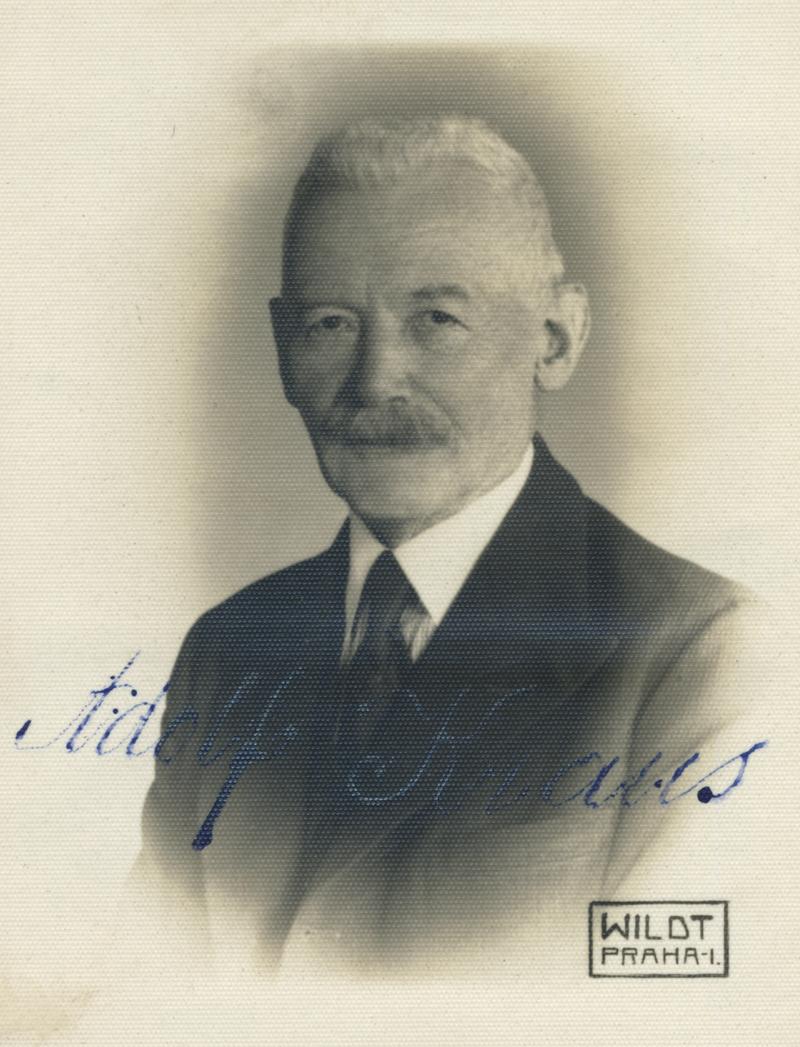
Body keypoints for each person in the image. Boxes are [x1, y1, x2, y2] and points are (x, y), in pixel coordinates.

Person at [128, 115, 767, 978]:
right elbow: (142, 995)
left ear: (555, 338)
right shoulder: (227, 648)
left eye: (436, 318)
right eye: (330, 324)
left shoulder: (705, 654)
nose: (375, 380)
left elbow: (664, 1011)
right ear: (282, 349)